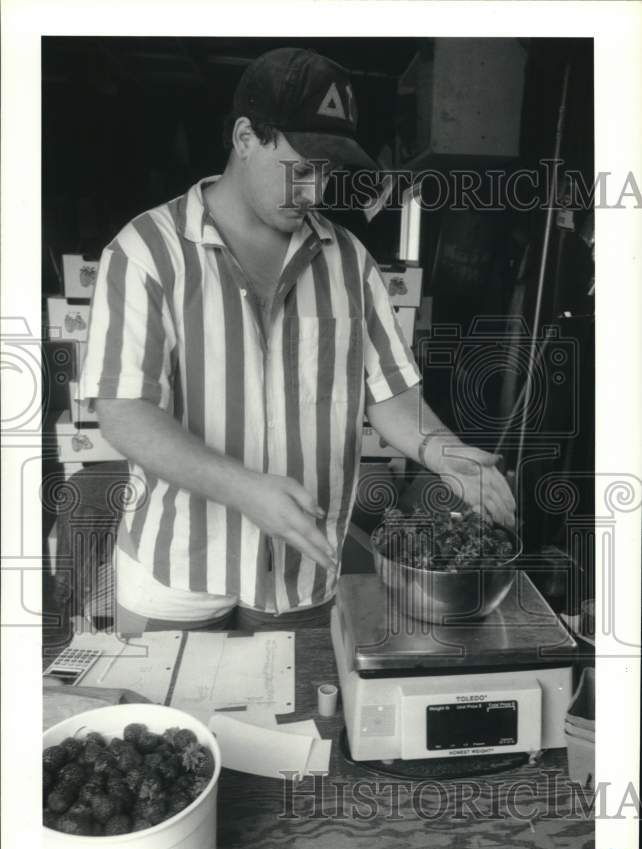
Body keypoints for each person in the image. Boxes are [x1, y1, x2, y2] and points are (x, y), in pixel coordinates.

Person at [80, 47, 515, 635]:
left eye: (329, 172)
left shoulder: (349, 262)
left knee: (295, 726)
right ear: (245, 138)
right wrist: (246, 490)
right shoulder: (145, 252)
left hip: (301, 572)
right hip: (175, 570)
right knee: (170, 726)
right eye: (302, 167)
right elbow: (123, 411)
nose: (314, 191)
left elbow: (387, 392)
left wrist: (442, 450)